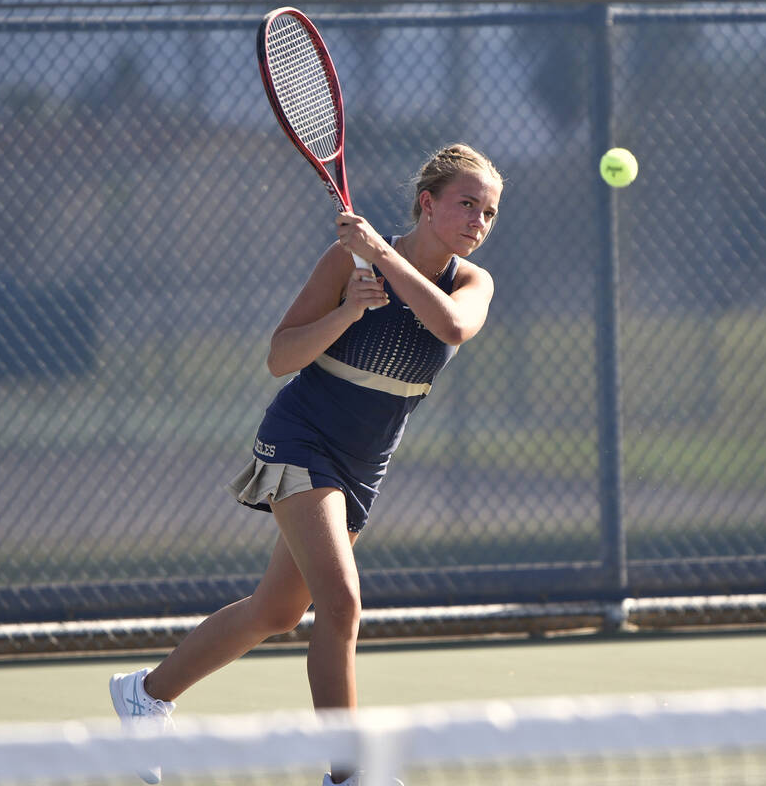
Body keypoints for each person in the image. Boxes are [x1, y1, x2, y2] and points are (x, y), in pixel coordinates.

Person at [110, 143, 504, 786]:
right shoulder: (344, 262)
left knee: (276, 611)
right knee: (341, 603)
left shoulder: (469, 282)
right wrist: (350, 307)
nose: (478, 222)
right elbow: (280, 356)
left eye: (488, 213)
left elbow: (452, 327)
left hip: (363, 463)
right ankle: (348, 775)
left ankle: (144, 694)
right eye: (466, 205)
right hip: (301, 440)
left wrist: (384, 256)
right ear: (428, 203)